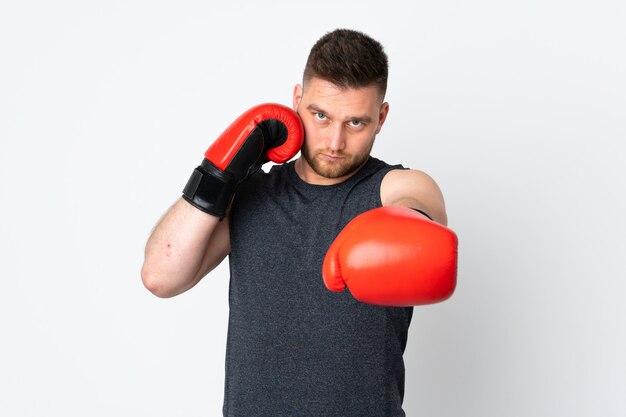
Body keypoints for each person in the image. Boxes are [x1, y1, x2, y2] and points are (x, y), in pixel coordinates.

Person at [142, 28, 457, 417]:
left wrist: (401, 227)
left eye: (356, 123)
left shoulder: (394, 189)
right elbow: (161, 276)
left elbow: (421, 211)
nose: (335, 142)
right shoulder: (249, 194)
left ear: (382, 117)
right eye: (321, 116)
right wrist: (218, 174)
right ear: (296, 101)